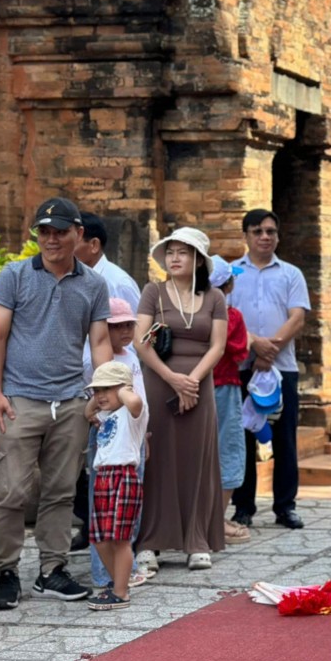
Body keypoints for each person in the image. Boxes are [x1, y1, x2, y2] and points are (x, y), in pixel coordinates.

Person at [0, 198, 112, 611]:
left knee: (60, 492)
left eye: (60, 231)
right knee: (10, 492)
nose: (52, 239)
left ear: (78, 233)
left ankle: (51, 570)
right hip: (20, 400)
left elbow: (100, 343)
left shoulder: (93, 284)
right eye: (44, 231)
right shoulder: (15, 275)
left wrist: (101, 393)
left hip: (71, 401)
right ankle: (6, 571)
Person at [133, 228, 227, 571]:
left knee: (196, 460)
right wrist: (172, 379)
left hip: (199, 386)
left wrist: (191, 382)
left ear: (198, 260)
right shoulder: (153, 292)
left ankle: (196, 539)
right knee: (156, 460)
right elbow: (139, 341)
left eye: (183, 253)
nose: (174, 258)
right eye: (170, 252)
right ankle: (150, 541)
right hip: (159, 383)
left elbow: (217, 345)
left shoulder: (215, 296)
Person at [230, 210, 311, 530]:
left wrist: (270, 348)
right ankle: (243, 506)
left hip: (283, 369)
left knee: (285, 438)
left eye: (271, 231)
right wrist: (253, 345)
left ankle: (285, 506)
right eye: (258, 231)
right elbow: (226, 316)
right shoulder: (233, 273)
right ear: (246, 235)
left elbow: (298, 317)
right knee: (243, 439)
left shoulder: (291, 274)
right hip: (242, 367)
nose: (265, 236)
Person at [83, 298, 149, 593]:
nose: (100, 395)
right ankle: (114, 580)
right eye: (96, 391)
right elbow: (86, 413)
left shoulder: (130, 410)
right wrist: (99, 396)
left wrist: (120, 389)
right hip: (104, 476)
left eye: (104, 390)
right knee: (98, 536)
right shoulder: (105, 412)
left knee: (120, 536)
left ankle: (120, 590)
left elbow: (136, 401)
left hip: (124, 475)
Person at [207, 255, 251, 545]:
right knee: (229, 452)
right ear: (229, 284)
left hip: (193, 387)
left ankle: (203, 519)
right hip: (225, 387)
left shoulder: (194, 313)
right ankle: (217, 521)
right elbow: (239, 351)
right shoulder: (231, 316)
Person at [74, 214, 142, 311]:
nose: (64, 249)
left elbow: (138, 324)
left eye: (72, 243)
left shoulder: (118, 284)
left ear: (94, 245)